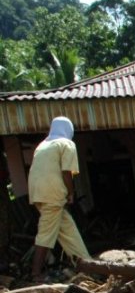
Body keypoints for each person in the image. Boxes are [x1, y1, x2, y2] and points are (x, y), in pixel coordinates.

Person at [28, 116, 91, 282]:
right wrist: (71, 193)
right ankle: (35, 274)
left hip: (37, 193)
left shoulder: (42, 145)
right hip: (53, 194)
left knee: (67, 229)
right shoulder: (66, 144)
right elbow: (66, 172)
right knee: (46, 233)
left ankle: (87, 264)